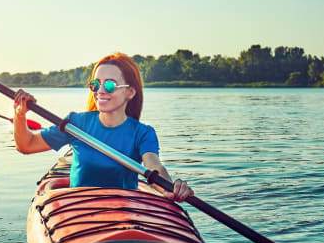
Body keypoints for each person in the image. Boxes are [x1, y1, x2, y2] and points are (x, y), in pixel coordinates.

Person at [12, 53, 193, 202]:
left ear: (130, 92)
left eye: (109, 85)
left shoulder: (142, 133)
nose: (100, 91)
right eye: (96, 84)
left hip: (124, 213)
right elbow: (27, 145)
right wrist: (20, 114)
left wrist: (170, 187)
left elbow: (154, 167)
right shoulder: (76, 124)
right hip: (78, 210)